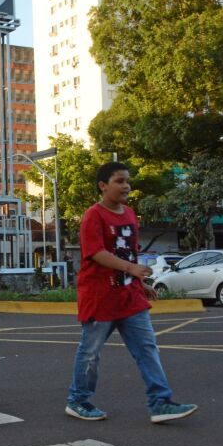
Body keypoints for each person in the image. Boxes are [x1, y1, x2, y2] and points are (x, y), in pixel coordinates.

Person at [65, 162, 198, 424]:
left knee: (147, 348)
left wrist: (139, 283)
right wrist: (131, 268)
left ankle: (160, 403)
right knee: (90, 353)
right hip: (100, 298)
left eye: (127, 180)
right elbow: (96, 253)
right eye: (119, 181)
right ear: (103, 186)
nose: (126, 185)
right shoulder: (94, 215)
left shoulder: (129, 214)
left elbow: (127, 252)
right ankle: (78, 400)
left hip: (129, 297)